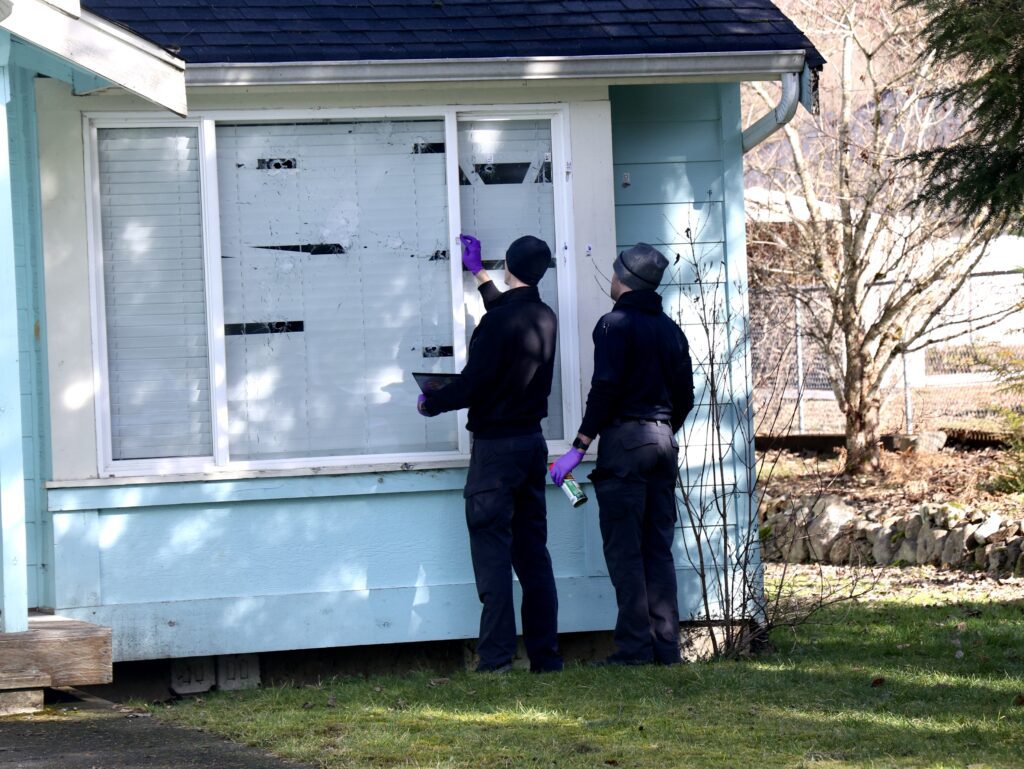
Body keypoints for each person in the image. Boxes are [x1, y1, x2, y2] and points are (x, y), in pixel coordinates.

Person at [417, 233, 563, 674]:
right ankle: (546, 659)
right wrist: (478, 275)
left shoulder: (498, 324)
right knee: (533, 555)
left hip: (495, 455)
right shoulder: (544, 316)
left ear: (509, 266)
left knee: (493, 555)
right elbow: (507, 316)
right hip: (531, 449)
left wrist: (433, 400)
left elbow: (472, 382)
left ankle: (497, 658)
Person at [550, 243, 694, 666]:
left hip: (626, 444)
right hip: (664, 442)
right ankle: (665, 649)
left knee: (625, 548)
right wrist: (661, 432)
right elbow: (685, 396)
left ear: (623, 278)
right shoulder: (672, 331)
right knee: (657, 547)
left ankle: (633, 649)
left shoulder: (614, 325)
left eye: (614, 272)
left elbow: (605, 389)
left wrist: (579, 446)